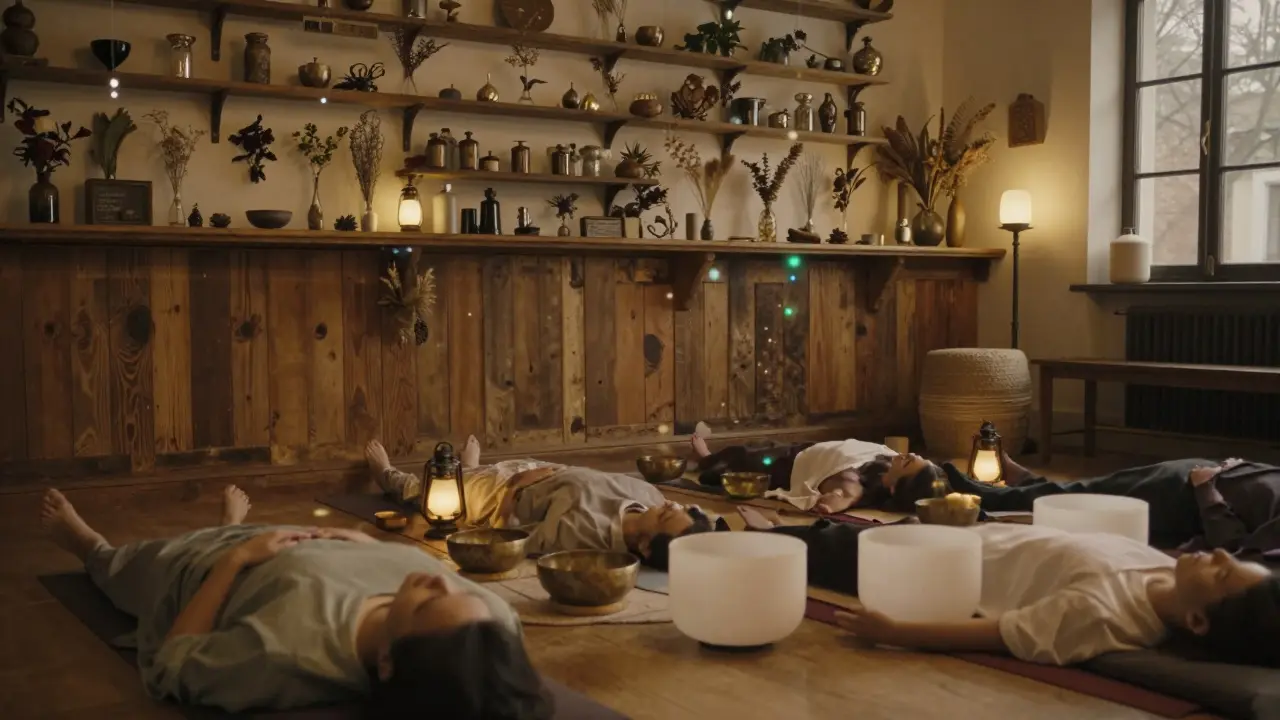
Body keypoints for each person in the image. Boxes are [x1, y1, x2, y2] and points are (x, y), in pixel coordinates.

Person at [41, 485, 551, 717]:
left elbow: (172, 666)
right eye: (457, 588)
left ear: (389, 661)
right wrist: (371, 549)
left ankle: (91, 547)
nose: (438, 581)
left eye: (425, 603)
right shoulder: (487, 625)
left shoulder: (283, 653)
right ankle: (231, 528)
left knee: (127, 568)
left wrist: (236, 559)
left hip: (198, 569)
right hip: (305, 547)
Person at [738, 507, 1280, 668]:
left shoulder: (1103, 617)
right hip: (973, 537)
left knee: (823, 547)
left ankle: (688, 537)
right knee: (833, 534)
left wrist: (897, 630)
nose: (1221, 555)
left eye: (1224, 574)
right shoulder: (1162, 570)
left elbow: (1005, 633)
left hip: (931, 568)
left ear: (1199, 621)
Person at [365, 438, 718, 568]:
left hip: (502, 493)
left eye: (667, 517)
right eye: (679, 509)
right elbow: (710, 525)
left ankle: (388, 476)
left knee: (430, 491)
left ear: (643, 546)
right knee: (472, 472)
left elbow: (506, 538)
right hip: (537, 469)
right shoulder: (652, 497)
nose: (673, 506)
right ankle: (472, 467)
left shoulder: (581, 535)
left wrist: (517, 488)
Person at [927, 455, 1280, 553]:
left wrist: (1205, 490)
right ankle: (1028, 484)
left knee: (1085, 495)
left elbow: (1236, 550)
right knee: (1097, 486)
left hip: (1189, 495)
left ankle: (992, 496)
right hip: (1212, 473)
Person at [689, 428, 943, 514]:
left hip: (788, 467)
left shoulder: (856, 486)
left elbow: (844, 493)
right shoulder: (886, 464)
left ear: (893, 487)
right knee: (756, 447)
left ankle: (707, 460)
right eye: (917, 456)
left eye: (910, 462)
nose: (910, 455)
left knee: (742, 457)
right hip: (809, 451)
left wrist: (831, 505)